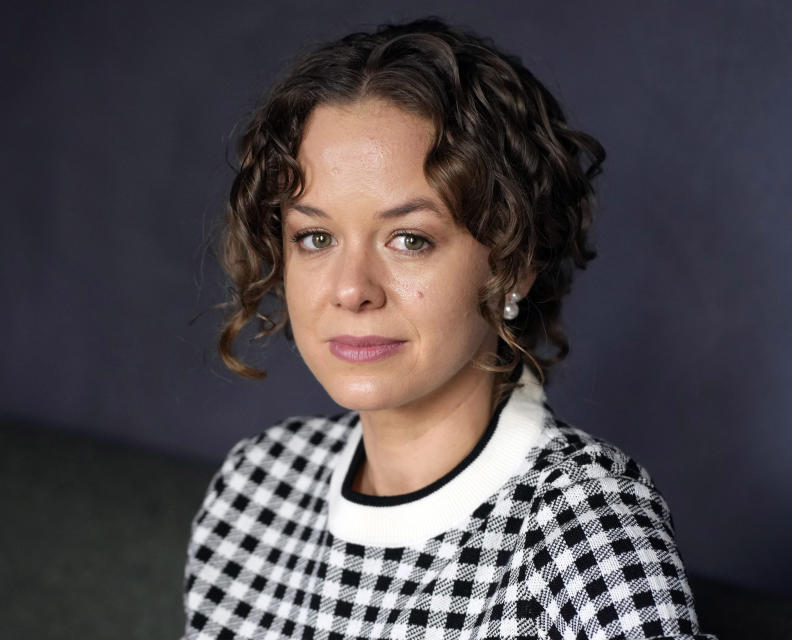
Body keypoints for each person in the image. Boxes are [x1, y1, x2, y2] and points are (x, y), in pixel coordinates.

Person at [183, 18, 716, 640]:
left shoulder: (583, 521)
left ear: (513, 263)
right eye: (316, 237)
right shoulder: (257, 487)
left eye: (410, 239)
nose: (351, 288)